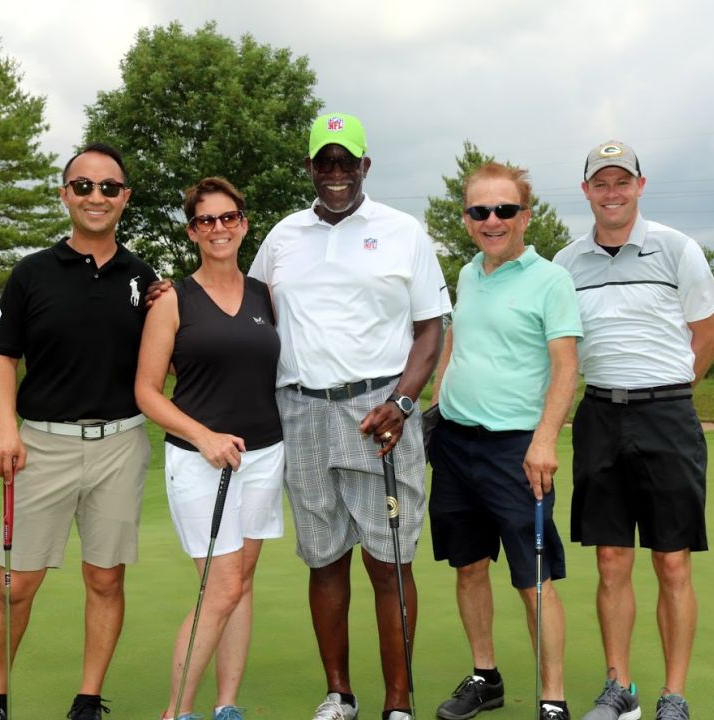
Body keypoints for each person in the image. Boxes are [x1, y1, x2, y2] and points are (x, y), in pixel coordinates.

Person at [248, 112, 451, 720]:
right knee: (324, 557)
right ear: (310, 166)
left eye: (347, 161)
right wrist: (172, 298)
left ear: (366, 164)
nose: (335, 172)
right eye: (324, 161)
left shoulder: (401, 231)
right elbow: (244, 306)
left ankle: (397, 701)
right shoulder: (282, 236)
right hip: (301, 410)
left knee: (388, 561)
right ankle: (339, 694)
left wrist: (405, 401)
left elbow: (431, 328)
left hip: (379, 411)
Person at [0, 143, 158, 720]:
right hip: (42, 446)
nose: (95, 196)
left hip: (121, 444)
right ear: (65, 195)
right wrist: (7, 428)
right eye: (82, 186)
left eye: (108, 187)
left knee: (105, 577)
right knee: (16, 584)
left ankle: (86, 698)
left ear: (125, 197)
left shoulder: (143, 278)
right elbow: (0, 355)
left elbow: (169, 356)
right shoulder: (32, 273)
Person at [552, 141, 714, 720]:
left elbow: (709, 337)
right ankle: (618, 688)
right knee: (610, 560)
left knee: (672, 561)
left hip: (667, 414)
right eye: (600, 183)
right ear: (586, 192)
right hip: (599, 414)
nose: (611, 193)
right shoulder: (566, 263)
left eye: (621, 181)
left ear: (640, 186)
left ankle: (673, 696)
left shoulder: (677, 249)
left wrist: (672, 391)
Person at [428, 163, 582, 720]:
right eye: (479, 211)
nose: (492, 221)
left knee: (532, 580)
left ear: (525, 215)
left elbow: (567, 368)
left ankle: (552, 697)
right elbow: (454, 345)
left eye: (504, 210)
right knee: (468, 566)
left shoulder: (551, 280)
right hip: (455, 445)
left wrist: (545, 440)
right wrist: (436, 404)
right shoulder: (468, 273)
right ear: (467, 219)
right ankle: (485, 677)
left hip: (518, 450)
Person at [135, 177, 285, 720]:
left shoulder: (266, 295)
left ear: (243, 223)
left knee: (240, 584)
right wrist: (204, 437)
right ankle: (175, 713)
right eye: (206, 221)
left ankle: (227, 707)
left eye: (228, 218)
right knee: (220, 588)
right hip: (200, 462)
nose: (218, 229)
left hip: (265, 456)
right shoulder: (172, 299)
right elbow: (147, 392)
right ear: (192, 230)